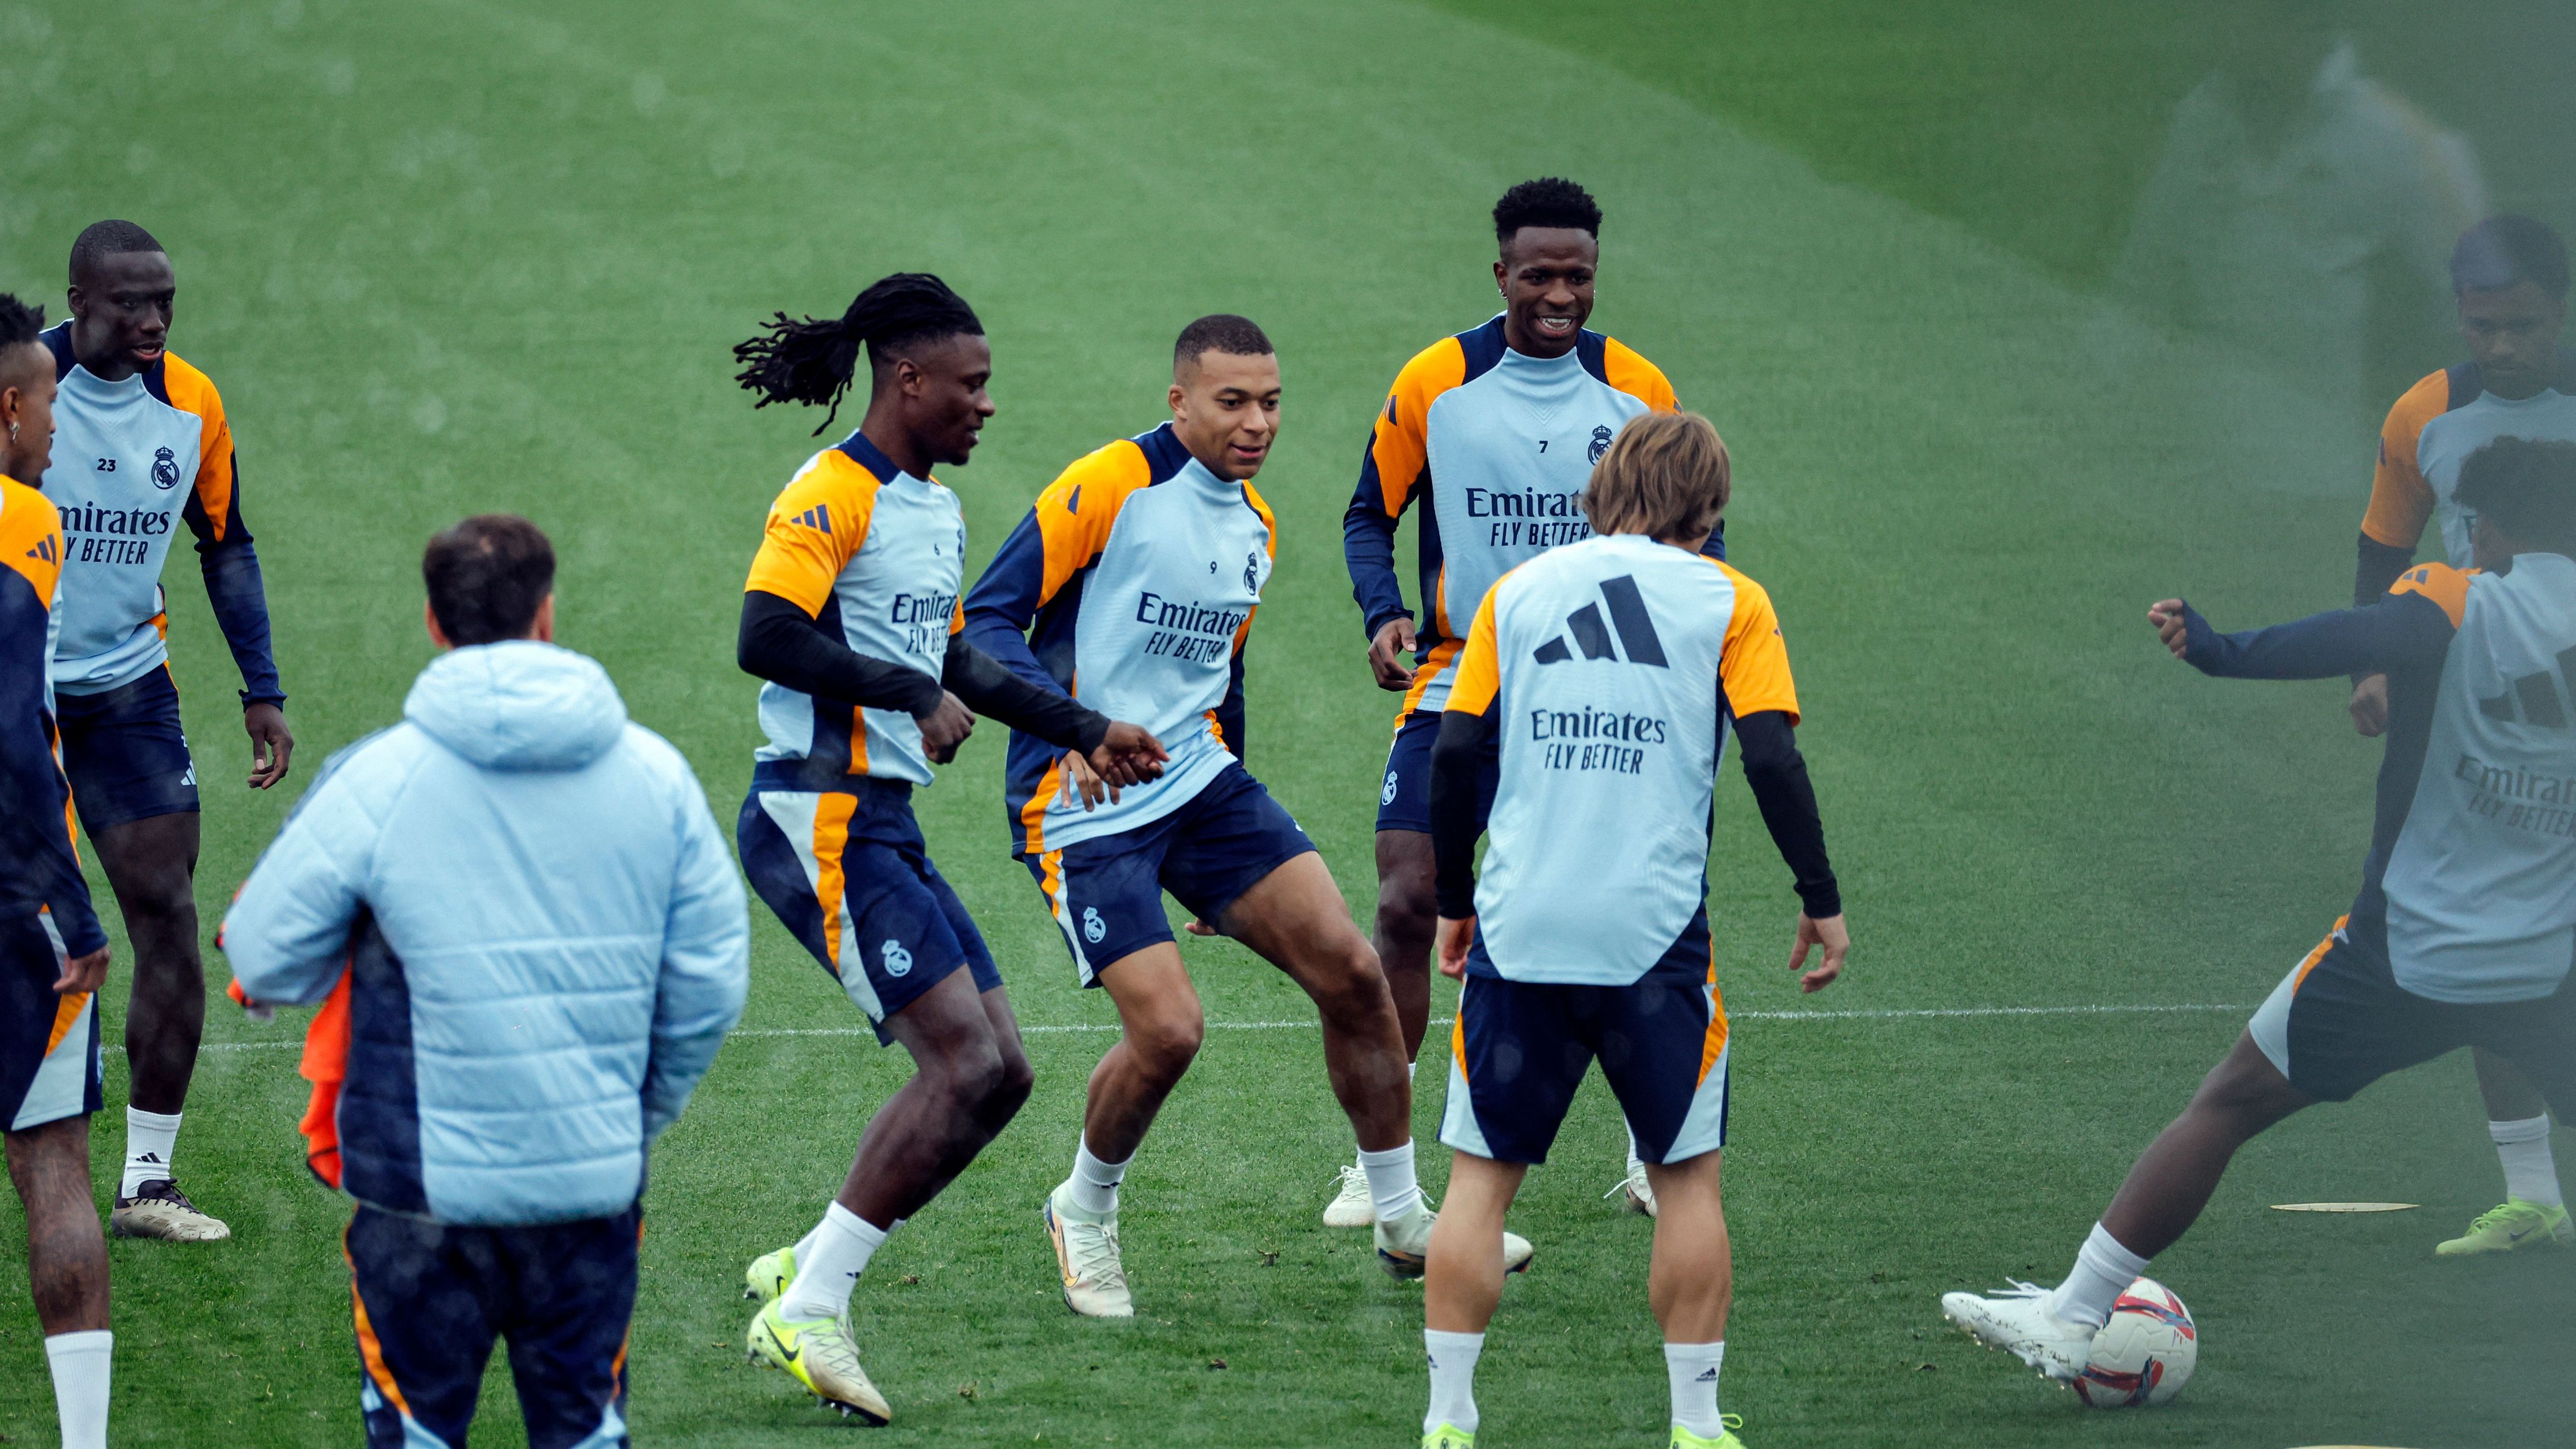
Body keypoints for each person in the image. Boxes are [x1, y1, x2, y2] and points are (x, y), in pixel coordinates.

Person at [1942, 436, 2576, 1386]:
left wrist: (2217, 648)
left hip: (2408, 953)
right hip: (2549, 967)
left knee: (2230, 1101)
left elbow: (2342, 637)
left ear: (2488, 527)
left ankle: (2074, 1315)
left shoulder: (2454, 599)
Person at [965, 314, 1524, 1319]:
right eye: (1233, 402)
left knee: (1354, 971)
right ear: (1179, 400)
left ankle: (1401, 1216)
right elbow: (985, 620)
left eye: (1270, 403)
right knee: (1171, 1030)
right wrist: (1073, 729)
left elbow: (1219, 681)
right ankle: (1082, 1207)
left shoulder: (1255, 524)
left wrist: (1230, 869)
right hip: (1081, 799)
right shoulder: (1109, 484)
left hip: (1202, 782)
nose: (1257, 423)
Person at [724, 273, 1167, 1420]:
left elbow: (959, 657)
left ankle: (809, 1264)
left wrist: (1084, 728)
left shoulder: (934, 506)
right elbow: (765, 633)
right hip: (817, 816)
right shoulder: (831, 491)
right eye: (970, 385)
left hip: (883, 821)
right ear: (908, 379)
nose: (986, 404)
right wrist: (909, 691)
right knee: (962, 1064)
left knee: (1003, 1074)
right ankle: (813, 1307)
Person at [221, 515, 748, 1449]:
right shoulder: (656, 777)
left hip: (420, 1202)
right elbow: (710, 983)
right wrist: (631, 1112)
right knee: (584, 1431)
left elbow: (262, 956)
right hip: (586, 1187)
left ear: (434, 622)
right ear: (547, 614)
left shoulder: (377, 780)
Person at [1418, 411, 1847, 1449]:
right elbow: (1772, 758)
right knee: (1685, 1179)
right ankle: (1695, 1425)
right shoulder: (1731, 600)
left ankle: (1448, 1421)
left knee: (1478, 1185)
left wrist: (1455, 899)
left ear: (1606, 488)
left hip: (1522, 925)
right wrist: (1819, 895)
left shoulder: (1518, 593)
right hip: (1654, 942)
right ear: (1710, 505)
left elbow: (1455, 752)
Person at [1342, 176, 1700, 1225]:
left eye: (1578, 276)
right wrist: (1383, 611)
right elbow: (1369, 513)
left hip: (1602, 681)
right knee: (1407, 898)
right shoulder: (1437, 382)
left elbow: (1696, 535)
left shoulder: (1637, 388)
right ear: (1500, 273)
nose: (1560, 295)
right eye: (1539, 275)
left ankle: (1654, 1148)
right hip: (1463, 671)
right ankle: (1383, 1165)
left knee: (1633, 901)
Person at [42, 219, 295, 1242]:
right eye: (130, 303)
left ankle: (147, 1182)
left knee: (167, 918)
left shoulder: (191, 402)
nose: (154, 321)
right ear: (78, 301)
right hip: (18, 695)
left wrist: (261, 687)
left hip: (127, 695)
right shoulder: (23, 389)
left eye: (166, 301)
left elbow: (225, 544)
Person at [2349, 215, 2574, 1256]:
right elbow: (2382, 547)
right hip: (2477, 719)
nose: (2503, 346)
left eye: (2523, 325)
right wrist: (2372, 668)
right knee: (2493, 933)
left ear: (2560, 310)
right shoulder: (2425, 414)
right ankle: (2533, 1196)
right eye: (2484, 327)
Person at [0, 293, 114, 1449]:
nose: (53, 428)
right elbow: (14, 734)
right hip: (15, 894)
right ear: (7, 408)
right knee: (54, 1166)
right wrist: (72, 907)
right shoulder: (22, 521)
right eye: (45, 405)